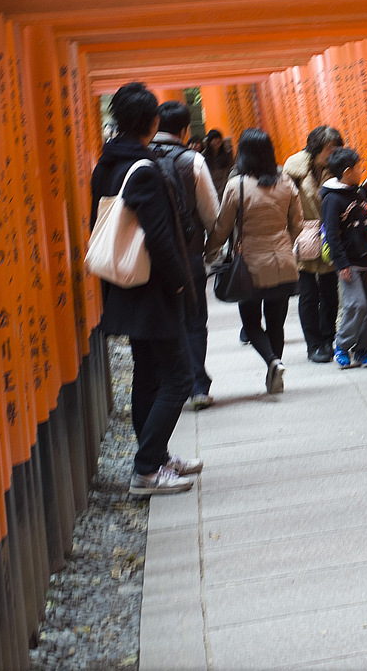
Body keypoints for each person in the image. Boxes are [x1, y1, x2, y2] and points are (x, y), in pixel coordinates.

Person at [89, 82, 203, 496]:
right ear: (153, 123)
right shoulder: (144, 169)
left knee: (149, 373)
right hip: (154, 287)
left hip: (124, 283)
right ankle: (146, 469)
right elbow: (159, 236)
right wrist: (179, 284)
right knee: (179, 375)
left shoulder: (106, 164)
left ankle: (155, 457)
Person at [206, 128, 303, 395]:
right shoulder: (286, 184)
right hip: (283, 263)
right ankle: (276, 376)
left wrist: (209, 252)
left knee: (250, 323)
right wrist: (284, 241)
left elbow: (222, 228)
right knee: (276, 324)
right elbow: (297, 224)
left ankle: (273, 361)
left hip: (250, 265)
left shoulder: (237, 186)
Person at [150, 101, 220, 410]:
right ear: (184, 130)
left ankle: (168, 387)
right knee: (193, 320)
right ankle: (196, 386)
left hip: (150, 258)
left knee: (163, 320)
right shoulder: (193, 160)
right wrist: (211, 250)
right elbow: (211, 214)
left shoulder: (142, 158)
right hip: (188, 255)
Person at [319, 147, 367, 369]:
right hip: (349, 262)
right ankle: (342, 346)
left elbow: (360, 223)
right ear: (348, 171)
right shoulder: (332, 199)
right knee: (356, 304)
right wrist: (341, 264)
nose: (361, 170)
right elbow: (332, 234)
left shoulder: (355, 193)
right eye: (358, 167)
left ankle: (362, 350)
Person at [283, 125, 344, 363]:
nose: (334, 152)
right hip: (303, 236)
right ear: (317, 148)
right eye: (330, 148)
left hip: (329, 236)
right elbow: (284, 202)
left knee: (330, 292)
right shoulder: (294, 170)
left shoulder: (339, 168)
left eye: (337, 147)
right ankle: (314, 344)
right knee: (308, 294)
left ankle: (328, 338)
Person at [203, 128, 234, 199]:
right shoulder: (204, 156)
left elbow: (231, 170)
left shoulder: (227, 153)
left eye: (219, 138)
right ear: (209, 141)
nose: (217, 140)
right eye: (214, 138)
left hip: (226, 188)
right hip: (211, 190)